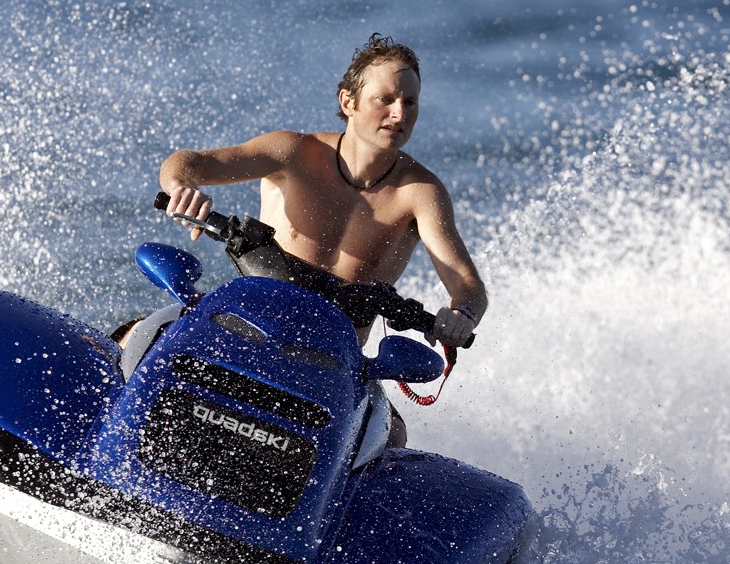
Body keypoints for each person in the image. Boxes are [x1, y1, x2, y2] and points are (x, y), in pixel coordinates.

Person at [158, 34, 488, 350]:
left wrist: (462, 315)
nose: (399, 114)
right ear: (348, 102)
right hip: (250, 333)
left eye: (410, 102)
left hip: (333, 364)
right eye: (385, 99)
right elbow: (190, 162)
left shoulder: (421, 193)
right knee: (145, 334)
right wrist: (180, 187)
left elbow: (468, 287)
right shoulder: (292, 154)